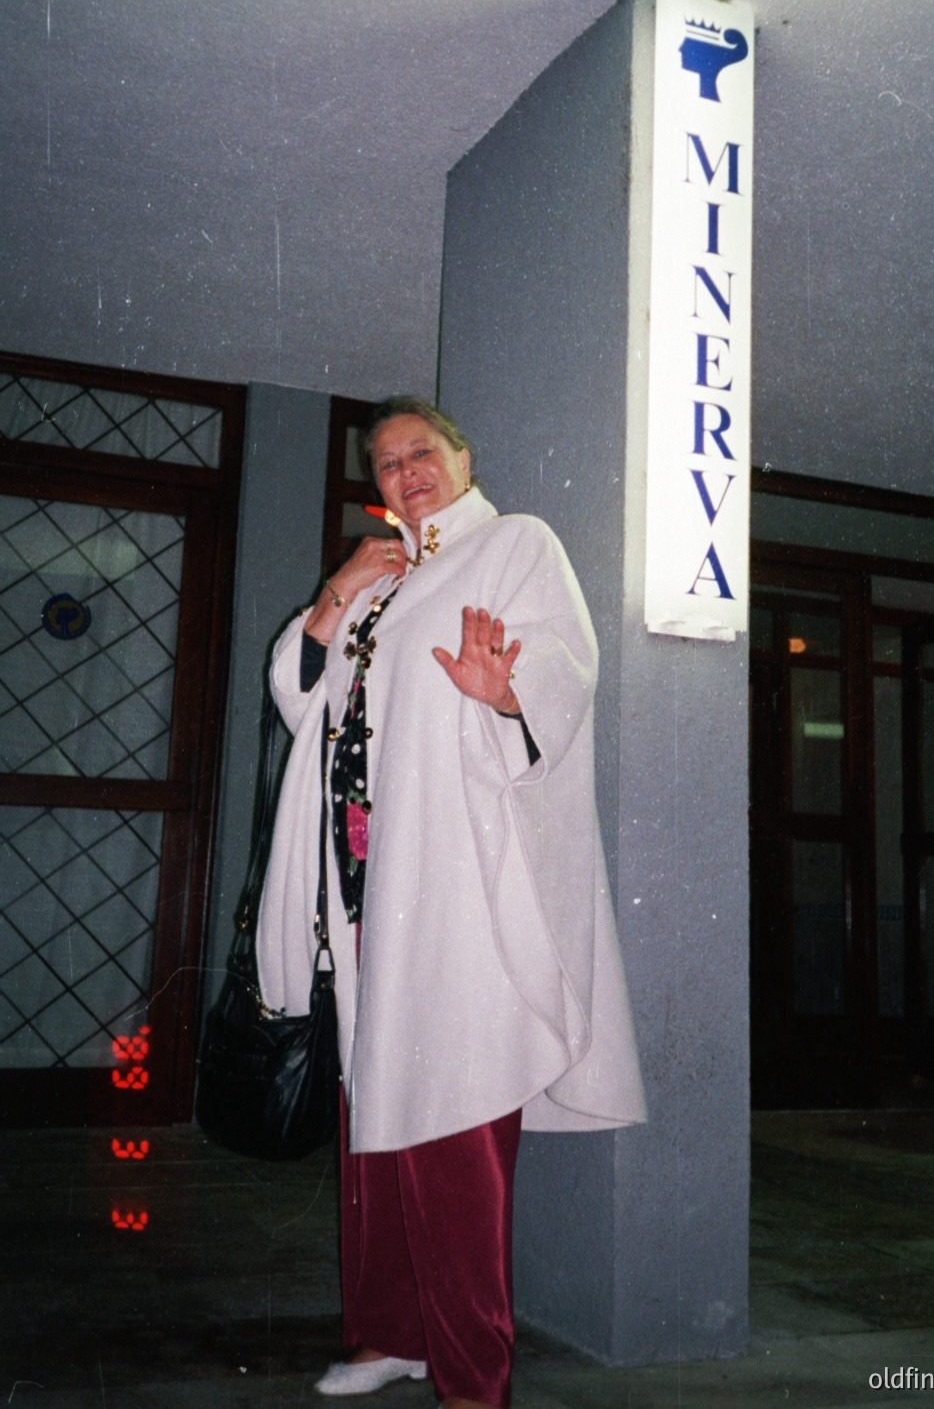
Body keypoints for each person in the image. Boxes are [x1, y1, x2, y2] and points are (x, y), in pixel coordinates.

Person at [256, 397, 646, 1407]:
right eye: (385, 464)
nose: (405, 471)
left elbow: (569, 664)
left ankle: (476, 1377)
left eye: (421, 453)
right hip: (366, 896)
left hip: (458, 895)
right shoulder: (388, 582)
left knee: (455, 1138)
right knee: (373, 1129)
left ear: (463, 458)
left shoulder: (514, 544)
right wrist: (339, 591)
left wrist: (507, 695)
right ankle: (391, 1333)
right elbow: (304, 705)